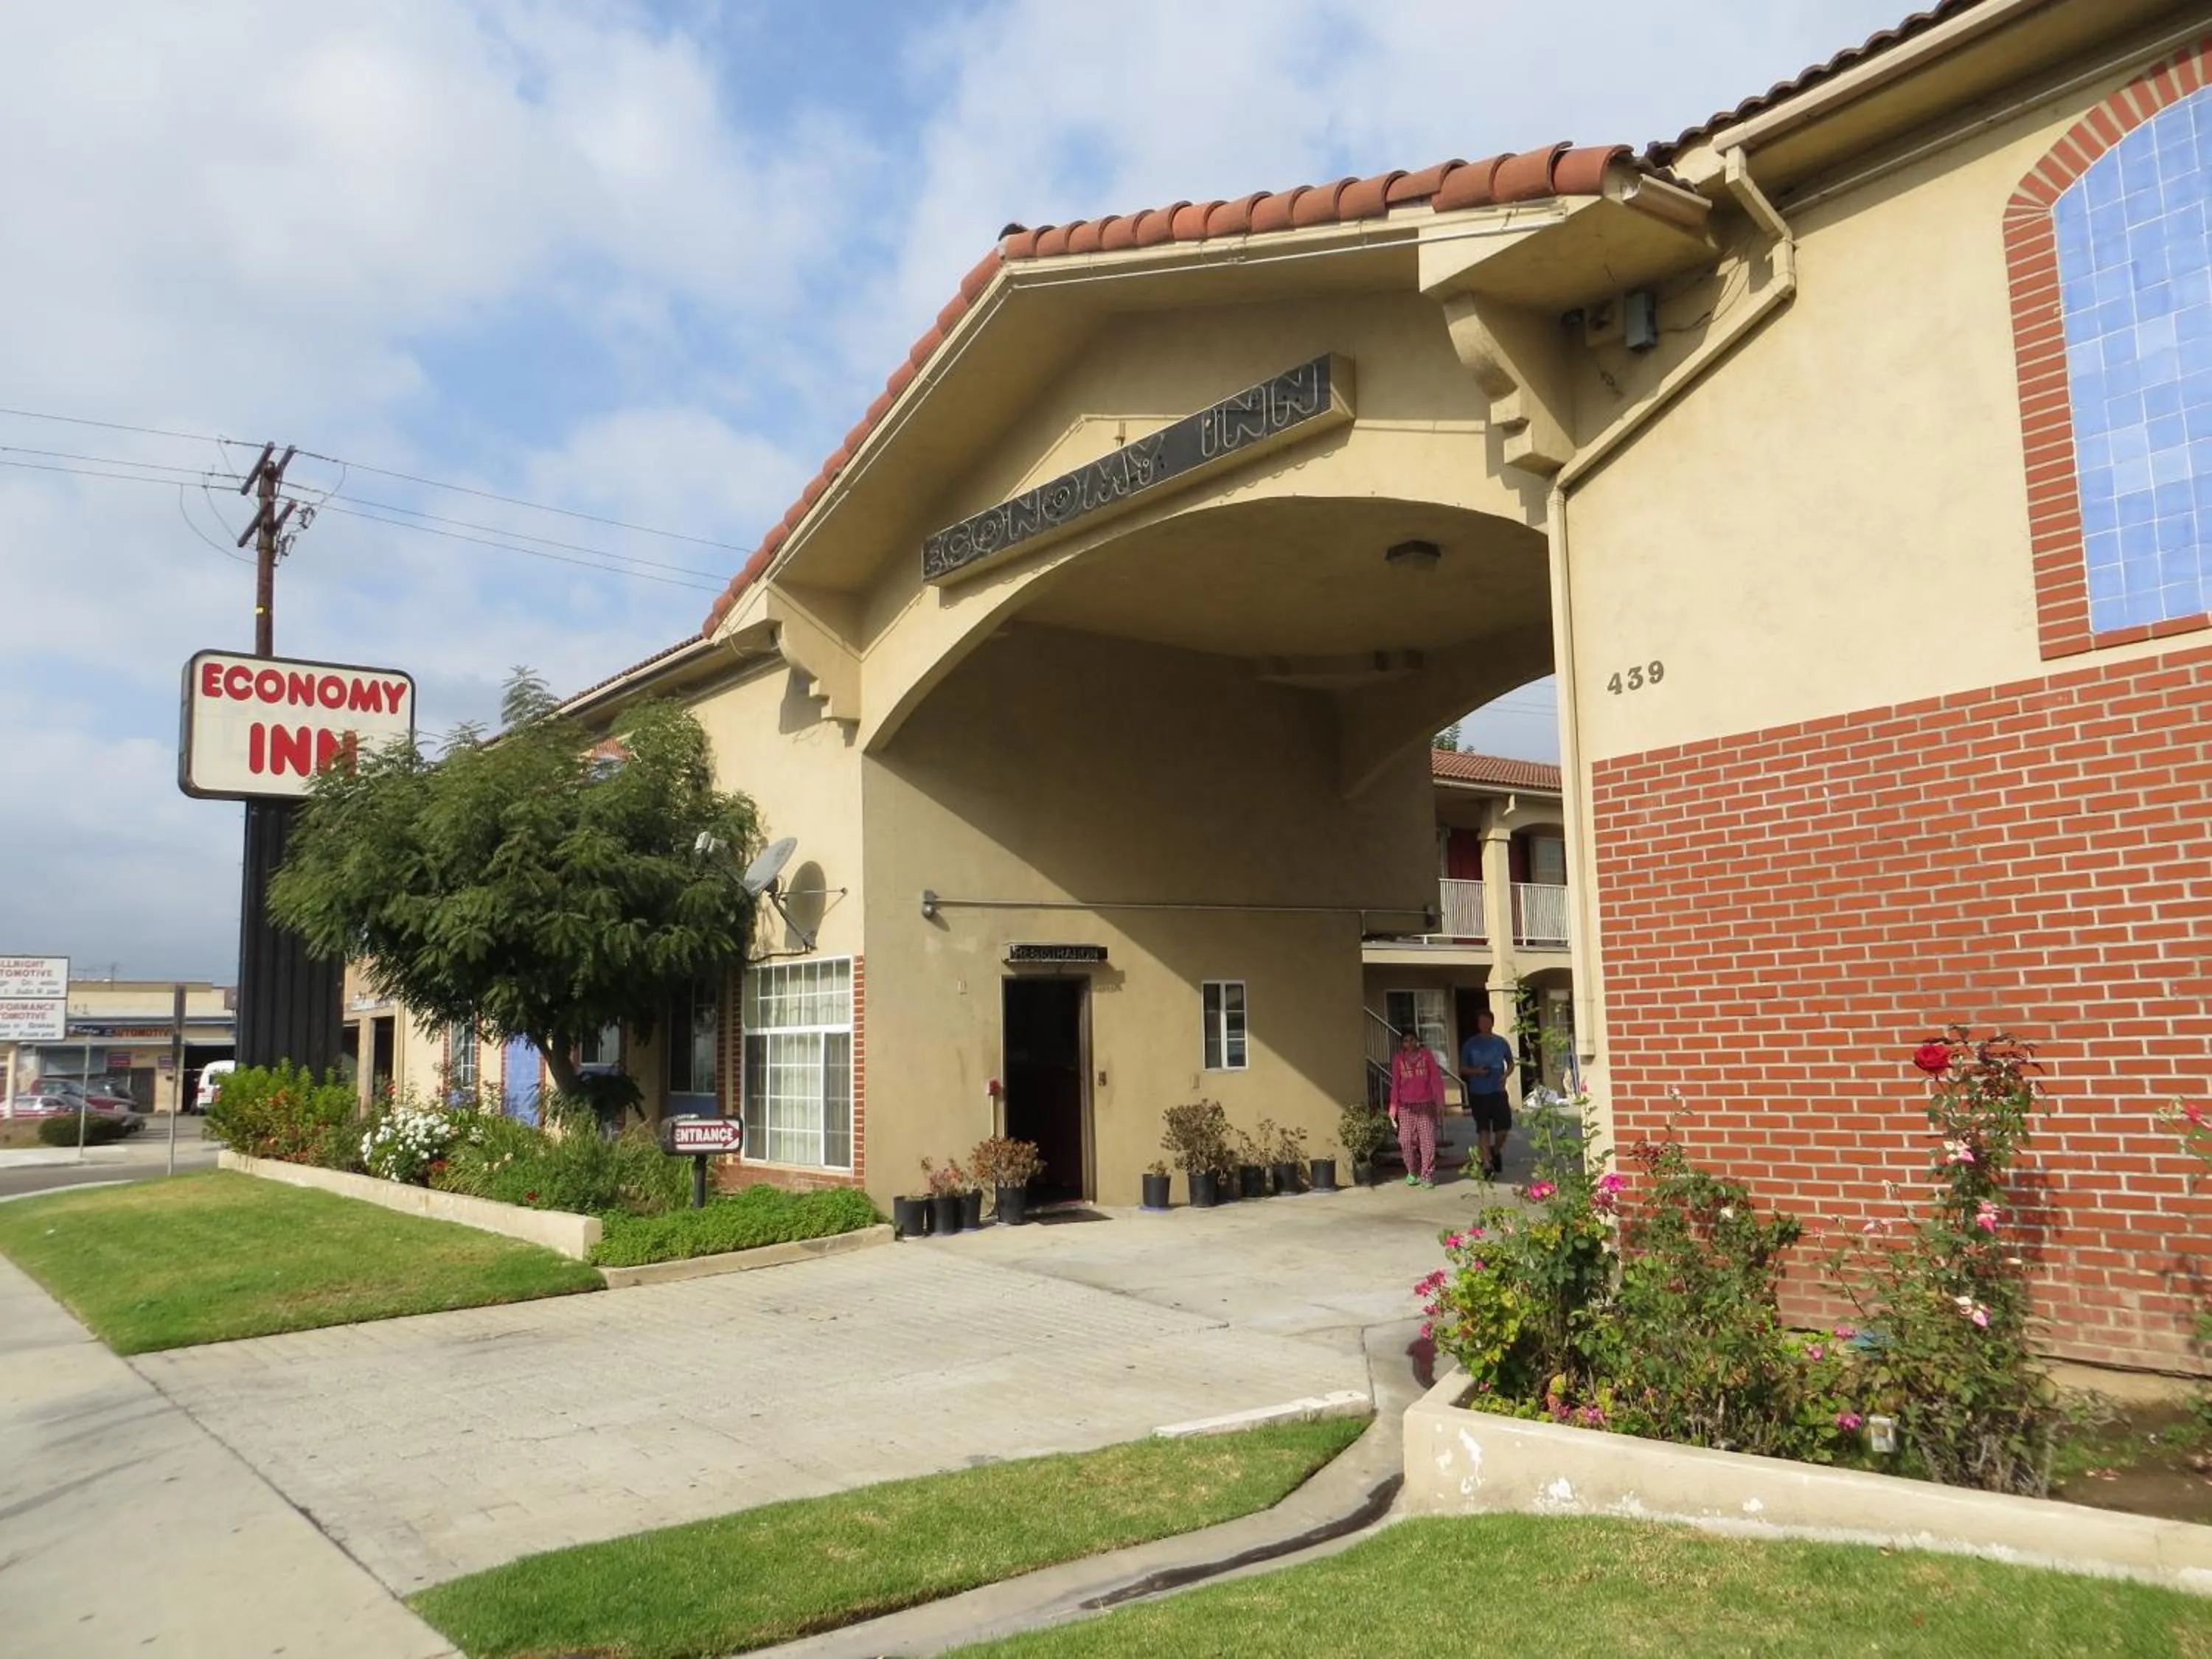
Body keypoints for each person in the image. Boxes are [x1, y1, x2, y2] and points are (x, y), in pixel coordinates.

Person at [1459, 1007, 1517, 1180]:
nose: (1485, 1025)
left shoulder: (1501, 1042)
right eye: (1481, 1022)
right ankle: (1487, 1164)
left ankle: (1495, 1151)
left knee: (1503, 1130)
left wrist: (1505, 1076)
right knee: (1483, 1129)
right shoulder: (1470, 1044)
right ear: (1478, 1025)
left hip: (1498, 1091)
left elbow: (1511, 1063)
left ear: (1492, 1023)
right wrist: (1477, 1071)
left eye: (1487, 1021)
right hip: (1479, 1092)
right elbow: (1462, 1069)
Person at [1388, 1026, 1444, 1187]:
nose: (1409, 1043)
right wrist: (1393, 1109)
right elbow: (1395, 1085)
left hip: (1426, 1105)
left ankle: (1427, 1175)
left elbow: (1436, 1079)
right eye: (1406, 1041)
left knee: (1427, 1142)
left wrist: (1440, 1102)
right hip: (1406, 1107)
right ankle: (1412, 1171)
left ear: (1417, 1040)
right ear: (1402, 1043)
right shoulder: (1399, 1059)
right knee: (1405, 1141)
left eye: (1412, 1039)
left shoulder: (1426, 1056)